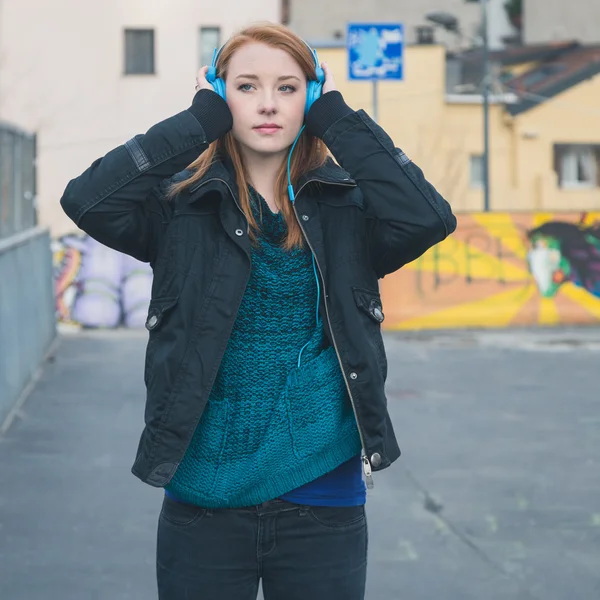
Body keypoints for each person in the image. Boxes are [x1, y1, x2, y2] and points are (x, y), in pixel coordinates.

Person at [60, 21, 456, 600]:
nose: (268, 103)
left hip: (323, 494)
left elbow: (428, 217)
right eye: (246, 87)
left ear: (312, 98)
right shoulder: (179, 206)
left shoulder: (349, 208)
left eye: (289, 88)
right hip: (202, 494)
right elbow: (85, 199)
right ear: (219, 95)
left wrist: (336, 118)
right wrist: (198, 122)